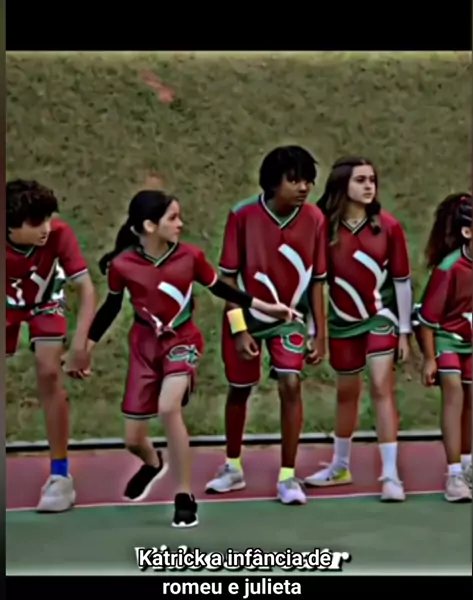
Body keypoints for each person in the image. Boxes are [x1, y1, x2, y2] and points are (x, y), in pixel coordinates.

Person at [79, 189, 299, 528]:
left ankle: (183, 495)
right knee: (133, 440)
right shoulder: (122, 265)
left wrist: (267, 307)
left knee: (169, 407)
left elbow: (222, 288)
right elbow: (111, 307)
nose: (181, 223)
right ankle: (152, 463)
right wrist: (86, 347)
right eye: (173, 218)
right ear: (149, 226)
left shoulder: (190, 257)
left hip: (182, 341)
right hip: (144, 347)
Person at [205, 145, 328, 505]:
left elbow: (318, 281)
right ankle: (232, 467)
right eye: (294, 180)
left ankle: (288, 477)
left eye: (308, 180)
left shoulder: (315, 220)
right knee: (239, 389)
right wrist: (239, 329)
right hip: (246, 316)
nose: (304, 187)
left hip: (288, 320)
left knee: (291, 383)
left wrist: (320, 333)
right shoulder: (242, 215)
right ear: (274, 183)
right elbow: (227, 279)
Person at [303, 157, 412, 502]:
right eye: (360, 180)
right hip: (341, 322)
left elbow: (402, 280)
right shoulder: (324, 229)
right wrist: (314, 329)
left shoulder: (388, 227)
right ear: (342, 185)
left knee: (381, 386)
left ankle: (391, 474)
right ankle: (340, 466)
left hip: (382, 318)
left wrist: (404, 330)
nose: (369, 186)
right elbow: (315, 283)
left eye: (372, 180)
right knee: (346, 392)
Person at [6, 179, 96, 512]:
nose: (46, 228)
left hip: (45, 300)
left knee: (48, 373)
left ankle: (60, 476)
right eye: (36, 223)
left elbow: (87, 290)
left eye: (47, 219)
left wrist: (80, 346)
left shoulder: (59, 234)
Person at [414, 193, 472, 502]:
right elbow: (426, 321)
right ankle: (454, 474)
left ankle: (469, 466)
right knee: (454, 391)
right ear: (468, 232)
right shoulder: (449, 268)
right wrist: (428, 359)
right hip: (447, 339)